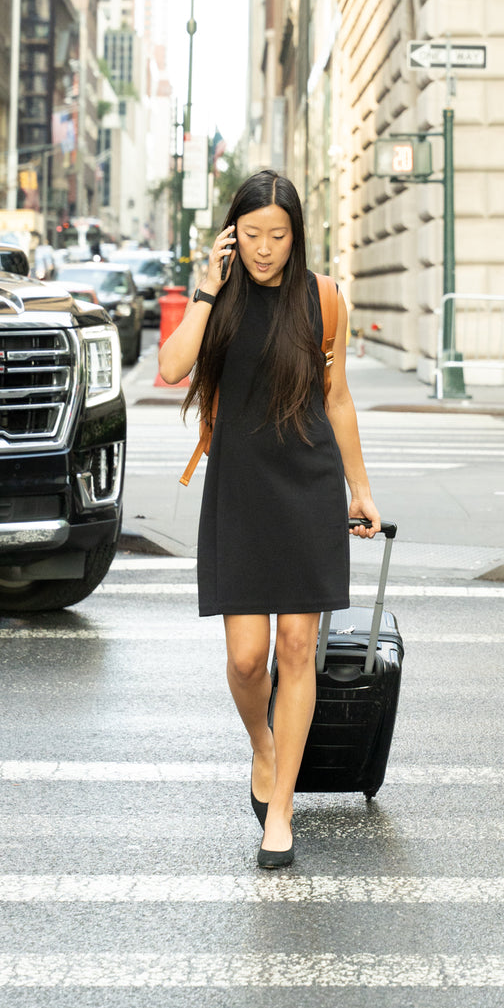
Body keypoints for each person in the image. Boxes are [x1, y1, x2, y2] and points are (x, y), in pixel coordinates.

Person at [158, 170, 380, 869]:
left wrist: (361, 489)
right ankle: (262, 743)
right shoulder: (219, 298)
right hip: (241, 489)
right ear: (232, 235)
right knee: (246, 658)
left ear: (297, 236)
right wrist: (204, 289)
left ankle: (280, 809)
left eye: (277, 236)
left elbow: (336, 398)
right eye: (251, 235)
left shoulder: (323, 300)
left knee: (294, 650)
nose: (264, 249)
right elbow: (169, 369)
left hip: (308, 484)